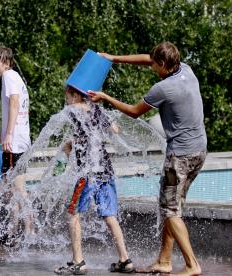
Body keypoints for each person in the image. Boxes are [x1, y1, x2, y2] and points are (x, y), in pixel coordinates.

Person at [89, 42, 207, 276]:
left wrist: (105, 97)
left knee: (170, 212)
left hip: (180, 156)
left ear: (162, 64)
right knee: (171, 207)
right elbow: (147, 57)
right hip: (199, 150)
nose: (151, 66)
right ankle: (164, 261)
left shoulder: (162, 88)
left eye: (154, 64)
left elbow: (134, 111)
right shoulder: (186, 69)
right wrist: (113, 57)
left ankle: (193, 265)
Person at [54, 86, 134, 275]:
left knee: (73, 213)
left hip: (88, 172)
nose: (66, 100)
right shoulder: (96, 109)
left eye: (67, 96)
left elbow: (80, 137)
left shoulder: (73, 110)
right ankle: (125, 260)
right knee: (109, 215)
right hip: (105, 169)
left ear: (74, 95)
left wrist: (68, 148)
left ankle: (78, 262)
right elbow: (115, 129)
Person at [0, 46, 32, 238]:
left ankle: (29, 232)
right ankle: (13, 231)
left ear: (6, 63)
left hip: (15, 143)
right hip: (17, 140)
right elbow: (16, 110)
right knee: (11, 188)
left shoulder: (9, 77)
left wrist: (9, 135)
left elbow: (14, 103)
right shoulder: (14, 77)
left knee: (18, 188)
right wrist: (2, 134)